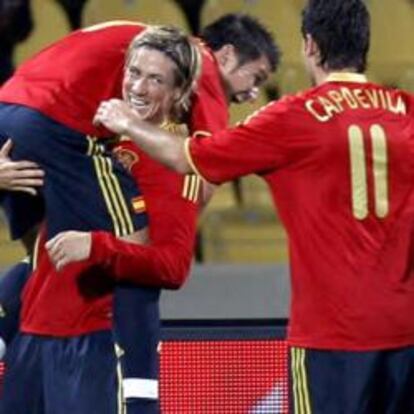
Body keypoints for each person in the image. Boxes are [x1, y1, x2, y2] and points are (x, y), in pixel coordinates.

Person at [92, 1, 414, 413]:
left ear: (310, 46)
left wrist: (127, 123)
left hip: (334, 336)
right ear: (365, 44)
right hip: (405, 331)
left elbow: (187, 158)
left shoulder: (292, 118)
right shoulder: (405, 108)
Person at [0, 17, 280, 414]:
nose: (253, 93)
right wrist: (187, 199)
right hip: (56, 129)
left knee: (39, 253)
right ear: (228, 55)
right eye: (256, 77)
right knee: (133, 250)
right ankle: (140, 394)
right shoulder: (195, 66)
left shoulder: (141, 42)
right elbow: (211, 162)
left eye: (153, 79)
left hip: (9, 113)